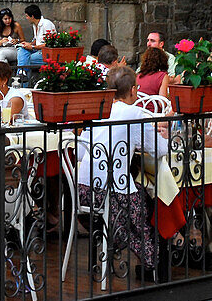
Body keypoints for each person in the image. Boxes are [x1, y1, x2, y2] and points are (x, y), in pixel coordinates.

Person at [76, 66, 168, 273]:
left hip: (84, 192)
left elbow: (81, 154)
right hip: (111, 195)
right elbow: (160, 150)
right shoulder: (134, 113)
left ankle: (121, 250)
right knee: (150, 200)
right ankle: (155, 262)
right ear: (134, 90)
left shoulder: (99, 111)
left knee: (139, 191)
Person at [16, 4, 55, 68]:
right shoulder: (35, 25)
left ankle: (22, 75)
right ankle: (22, 74)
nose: (26, 18)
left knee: (26, 59)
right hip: (37, 49)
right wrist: (28, 44)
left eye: (27, 16)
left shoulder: (46, 24)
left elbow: (49, 43)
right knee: (21, 50)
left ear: (32, 16)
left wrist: (33, 47)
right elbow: (37, 39)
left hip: (45, 52)